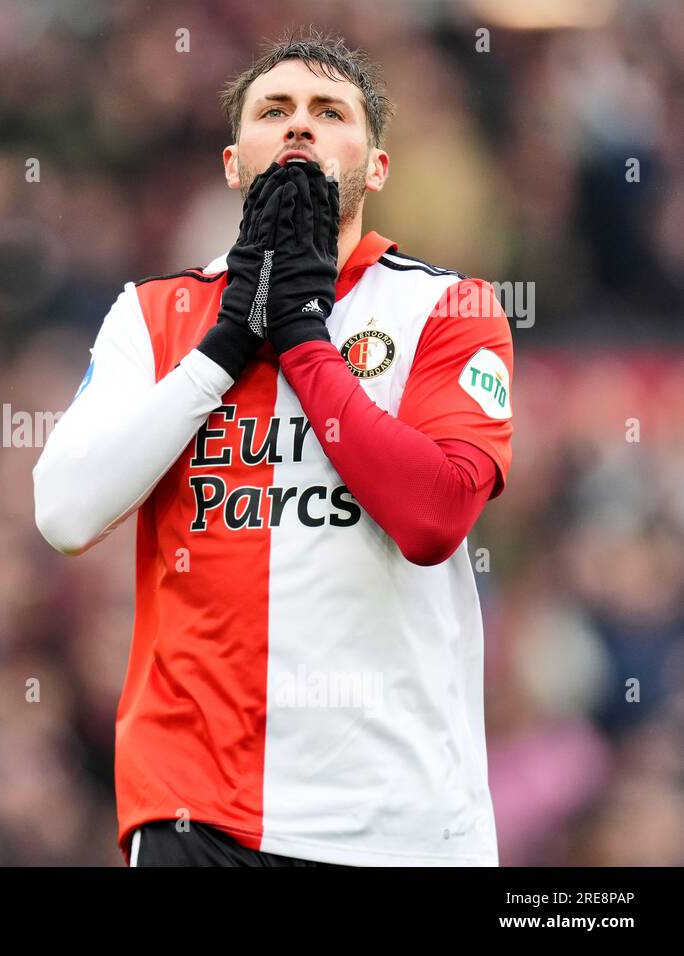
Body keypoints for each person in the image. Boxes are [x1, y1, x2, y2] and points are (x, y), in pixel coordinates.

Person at [32, 30, 514, 867]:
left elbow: (434, 518)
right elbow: (65, 512)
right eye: (274, 111)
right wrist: (222, 349)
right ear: (231, 161)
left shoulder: (450, 308)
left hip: (399, 819)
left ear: (377, 166)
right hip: (196, 812)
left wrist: (301, 340)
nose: (300, 126)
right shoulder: (151, 317)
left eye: (330, 113)